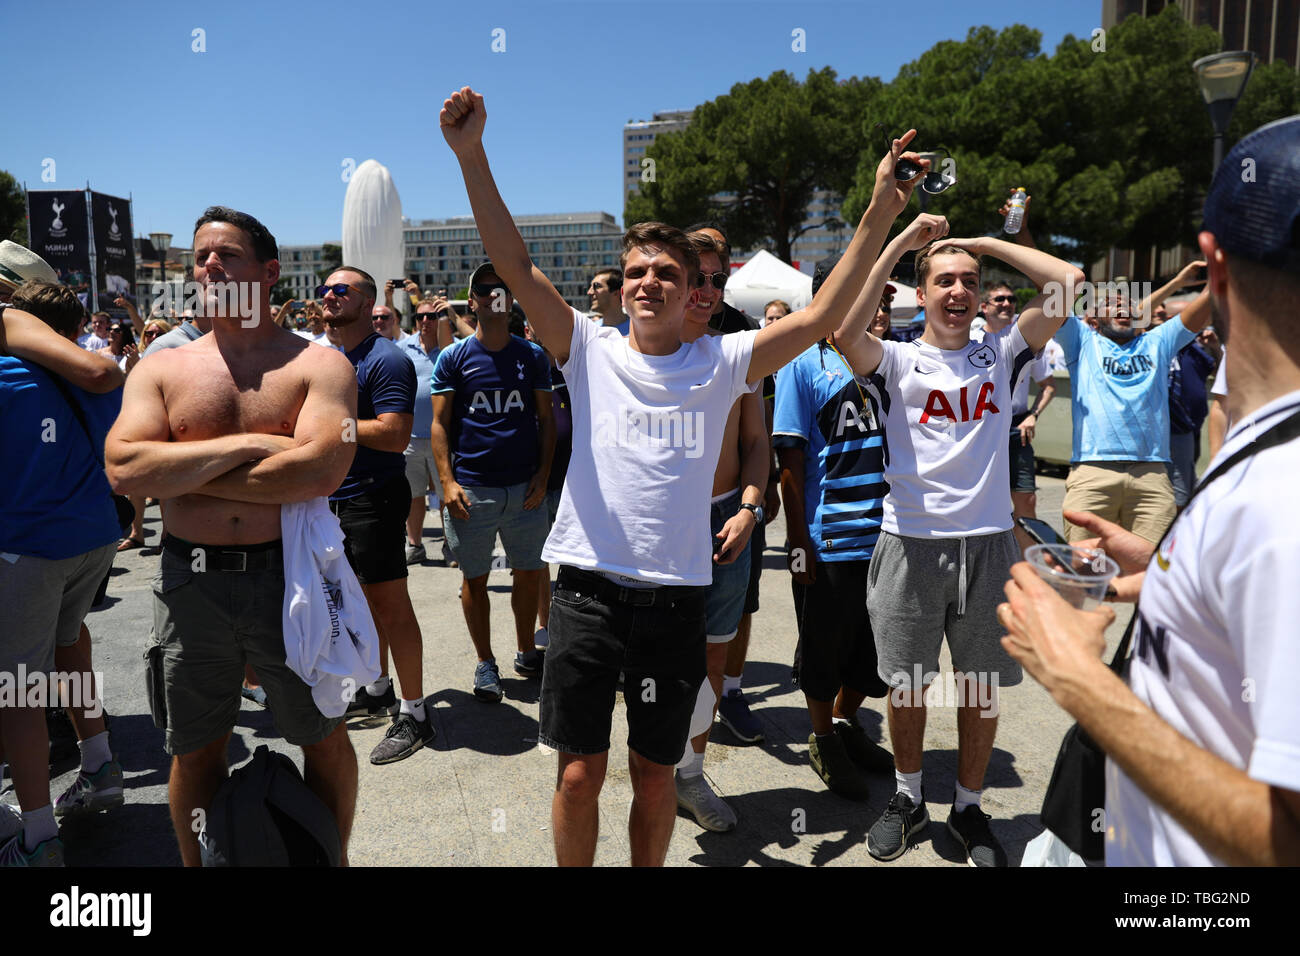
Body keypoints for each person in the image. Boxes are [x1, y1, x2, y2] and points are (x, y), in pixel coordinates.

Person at [439, 84, 926, 865]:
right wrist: (472, 155)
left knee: (656, 776)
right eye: (636, 271)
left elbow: (821, 315)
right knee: (576, 775)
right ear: (622, 283)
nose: (648, 283)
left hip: (674, 602)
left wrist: (878, 212)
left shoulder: (723, 359)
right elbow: (515, 263)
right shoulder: (585, 348)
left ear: (692, 289)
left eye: (666, 272)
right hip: (587, 596)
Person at [998, 115, 1300, 866]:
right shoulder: (1260, 465)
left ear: (1214, 263)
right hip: (1110, 476)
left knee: (1078, 619)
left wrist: (1079, 683)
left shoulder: (1278, 500)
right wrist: (1169, 579)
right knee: (1094, 592)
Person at [105, 206, 361, 865]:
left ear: (268, 272)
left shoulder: (319, 366)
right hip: (191, 583)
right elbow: (125, 469)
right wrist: (253, 445)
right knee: (194, 749)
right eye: (201, 256)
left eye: (227, 254)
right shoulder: (164, 369)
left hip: (289, 577)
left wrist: (183, 473)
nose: (209, 265)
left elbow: (324, 468)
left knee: (324, 735)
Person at [835, 224, 1086, 866]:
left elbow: (1069, 283)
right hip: (909, 544)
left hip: (989, 546)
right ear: (919, 293)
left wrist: (988, 246)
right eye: (944, 280)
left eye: (969, 282)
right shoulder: (892, 358)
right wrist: (896, 245)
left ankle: (968, 808)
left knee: (979, 686)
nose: (958, 290)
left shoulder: (1001, 352)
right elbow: (841, 331)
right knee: (909, 685)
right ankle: (909, 797)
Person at [774, 226, 947, 800]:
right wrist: (798, 538)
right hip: (832, 538)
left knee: (876, 656)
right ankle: (822, 735)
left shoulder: (893, 358)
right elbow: (790, 457)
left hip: (893, 535)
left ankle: (847, 722)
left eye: (883, 296)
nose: (879, 305)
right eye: (867, 295)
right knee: (824, 646)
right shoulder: (803, 363)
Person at [0, 283, 125, 867]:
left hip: (27, 548)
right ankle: (99, 763)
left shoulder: (6, 377)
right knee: (70, 643)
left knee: (18, 692)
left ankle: (38, 835)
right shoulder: (101, 377)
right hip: (95, 538)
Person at [672, 232, 769, 831]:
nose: (708, 292)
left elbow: (755, 443)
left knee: (712, 652)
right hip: (661, 527)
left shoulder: (739, 354)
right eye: (698, 278)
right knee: (651, 659)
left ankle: (689, 773)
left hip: (726, 519)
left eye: (717, 281)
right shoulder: (639, 351)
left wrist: (751, 507)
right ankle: (657, 765)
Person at [320, 267, 435, 766]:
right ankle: (377, 687)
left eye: (340, 290)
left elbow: (392, 434)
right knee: (357, 607)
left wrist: (333, 426)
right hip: (337, 499)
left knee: (390, 606)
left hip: (373, 497)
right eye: (324, 289)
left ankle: (415, 713)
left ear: (368, 303)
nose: (328, 296)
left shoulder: (385, 358)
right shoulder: (333, 359)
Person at [431, 262, 555, 698]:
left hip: (525, 489)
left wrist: (543, 475)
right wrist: (446, 483)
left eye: (500, 288)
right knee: (475, 579)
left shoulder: (533, 356)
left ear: (510, 297)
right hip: (473, 489)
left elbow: (546, 421)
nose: (490, 295)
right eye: (482, 289)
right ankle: (485, 664)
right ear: (473, 299)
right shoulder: (454, 358)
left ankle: (526, 650)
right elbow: (440, 425)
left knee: (529, 572)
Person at [1055, 279, 1212, 544]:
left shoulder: (1159, 342)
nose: (1122, 307)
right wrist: (1019, 235)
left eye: (1128, 305)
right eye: (1112, 304)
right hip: (1092, 472)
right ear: (1093, 320)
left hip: (1152, 475)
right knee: (1085, 567)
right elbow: (1049, 285)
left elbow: (1207, 302)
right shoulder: (1081, 342)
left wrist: (1220, 261)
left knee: (1150, 571)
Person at [973, 281, 1057, 554]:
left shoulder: (1026, 341)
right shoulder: (972, 340)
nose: (1007, 304)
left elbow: (1049, 386)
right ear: (984, 307)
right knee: (980, 501)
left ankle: (1025, 569)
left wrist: (1033, 416)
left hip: (1016, 427)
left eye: (1011, 299)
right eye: (999, 299)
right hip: (980, 430)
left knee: (1026, 501)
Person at [399, 299, 454, 564]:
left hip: (442, 436)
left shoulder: (448, 349)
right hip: (410, 437)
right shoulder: (403, 347)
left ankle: (450, 544)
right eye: (420, 316)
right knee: (413, 495)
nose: (425, 321)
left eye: (431, 316)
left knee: (446, 496)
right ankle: (415, 545)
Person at [586, 268, 627, 333]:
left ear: (616, 293)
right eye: (590, 287)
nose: (589, 292)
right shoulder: (590, 331)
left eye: (596, 286)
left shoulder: (638, 329)